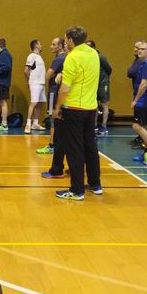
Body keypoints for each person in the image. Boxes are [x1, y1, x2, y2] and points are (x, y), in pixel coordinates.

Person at [52, 26, 102, 200]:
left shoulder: (72, 57)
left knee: (74, 149)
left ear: (71, 40)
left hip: (73, 108)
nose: (65, 42)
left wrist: (57, 108)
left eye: (66, 39)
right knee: (90, 146)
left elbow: (65, 88)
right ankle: (95, 184)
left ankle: (76, 190)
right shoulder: (93, 53)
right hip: (91, 108)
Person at [37, 37, 65, 155]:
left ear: (60, 46)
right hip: (59, 92)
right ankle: (59, 145)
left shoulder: (59, 59)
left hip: (54, 92)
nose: (51, 46)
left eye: (54, 44)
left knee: (53, 118)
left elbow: (47, 76)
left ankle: (52, 145)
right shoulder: (65, 57)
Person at [25, 39, 46, 134]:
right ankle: (28, 124)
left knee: (40, 103)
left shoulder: (39, 57)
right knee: (33, 103)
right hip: (35, 82)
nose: (41, 46)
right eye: (40, 44)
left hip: (41, 83)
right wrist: (28, 82)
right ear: (36, 45)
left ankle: (35, 123)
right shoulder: (31, 56)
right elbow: (26, 71)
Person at [127, 41, 145, 148]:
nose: (135, 49)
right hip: (137, 91)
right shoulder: (137, 60)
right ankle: (140, 138)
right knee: (138, 118)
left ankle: (144, 141)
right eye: (135, 47)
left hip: (141, 95)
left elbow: (130, 72)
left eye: (138, 48)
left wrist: (136, 99)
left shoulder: (140, 61)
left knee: (140, 121)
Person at [0, 38, 12, 131]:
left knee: (3, 102)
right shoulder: (4, 55)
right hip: (2, 82)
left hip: (2, 83)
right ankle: (3, 123)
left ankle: (4, 124)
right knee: (2, 102)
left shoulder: (4, 55)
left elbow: (7, 67)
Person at [95, 46, 112, 135]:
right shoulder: (89, 58)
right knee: (94, 105)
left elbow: (109, 69)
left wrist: (105, 79)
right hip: (93, 84)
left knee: (104, 104)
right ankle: (94, 125)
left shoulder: (101, 57)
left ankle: (104, 126)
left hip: (103, 83)